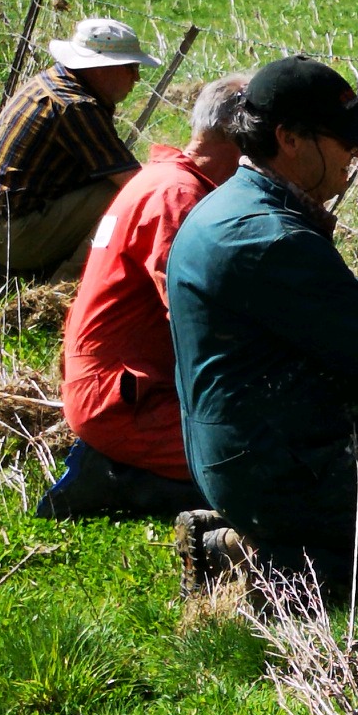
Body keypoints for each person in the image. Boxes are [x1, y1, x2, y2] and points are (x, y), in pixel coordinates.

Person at [167, 55, 358, 602]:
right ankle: (255, 563)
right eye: (342, 139)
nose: (355, 154)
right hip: (286, 470)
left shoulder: (233, 206)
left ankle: (247, 542)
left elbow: (345, 324)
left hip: (250, 452)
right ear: (289, 138)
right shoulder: (269, 239)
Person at [35, 72, 256, 523]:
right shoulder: (178, 197)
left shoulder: (163, 178)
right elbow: (194, 314)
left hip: (115, 386)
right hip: (127, 400)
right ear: (241, 136)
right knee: (256, 461)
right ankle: (120, 478)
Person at [0, 15, 148, 281]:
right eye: (130, 68)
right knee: (124, 197)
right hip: (15, 237)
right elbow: (135, 184)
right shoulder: (75, 105)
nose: (136, 78)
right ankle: (64, 288)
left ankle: (40, 270)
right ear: (101, 68)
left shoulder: (51, 82)